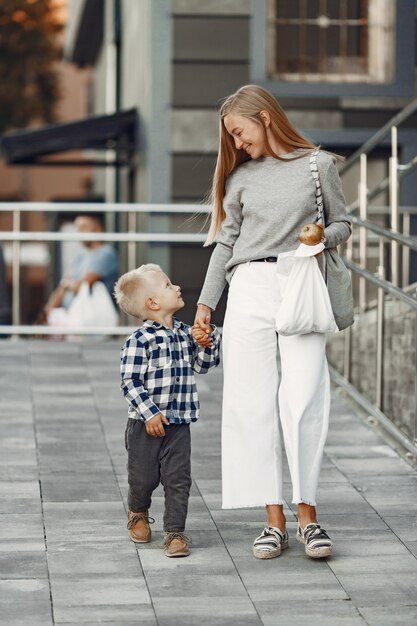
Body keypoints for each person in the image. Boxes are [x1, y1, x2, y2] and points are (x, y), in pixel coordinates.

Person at [193, 84, 351, 560]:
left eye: (240, 133)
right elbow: (226, 244)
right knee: (250, 402)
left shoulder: (317, 165)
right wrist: (205, 305)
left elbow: (344, 223)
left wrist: (320, 234)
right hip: (248, 288)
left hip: (300, 280)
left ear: (264, 117)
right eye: (233, 138)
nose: (238, 144)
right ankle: (273, 521)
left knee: (304, 397)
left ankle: (309, 517)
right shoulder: (240, 178)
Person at [114, 264, 220, 557]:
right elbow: (130, 381)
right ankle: (137, 510)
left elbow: (205, 365)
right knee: (143, 477)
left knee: (178, 479)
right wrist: (149, 413)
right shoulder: (139, 341)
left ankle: (175, 532)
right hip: (144, 426)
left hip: (178, 425)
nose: (176, 287)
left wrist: (207, 341)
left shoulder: (187, 334)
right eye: (168, 285)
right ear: (153, 303)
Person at [42, 213, 119, 320]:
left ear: (98, 229)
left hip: (93, 320)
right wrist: (46, 314)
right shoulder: (80, 257)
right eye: (78, 228)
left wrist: (67, 284)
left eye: (84, 227)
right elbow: (63, 286)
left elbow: (82, 285)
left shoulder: (105, 254)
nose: (80, 232)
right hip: (72, 318)